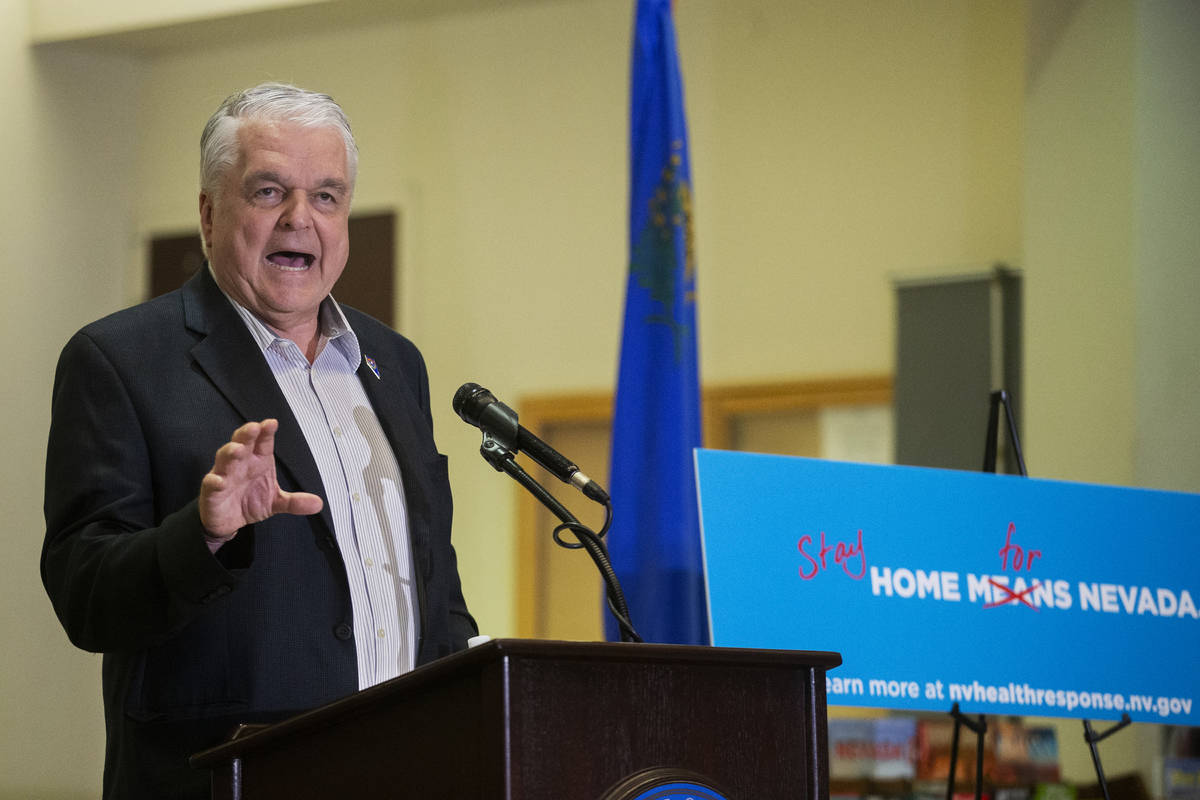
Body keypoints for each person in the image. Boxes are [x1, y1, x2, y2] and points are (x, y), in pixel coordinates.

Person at [41, 83, 477, 799]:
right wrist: (202, 535)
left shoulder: (395, 363)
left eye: (328, 196)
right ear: (210, 214)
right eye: (270, 191)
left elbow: (434, 581)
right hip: (226, 782)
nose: (300, 219)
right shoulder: (120, 361)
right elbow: (85, 597)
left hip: (407, 772)